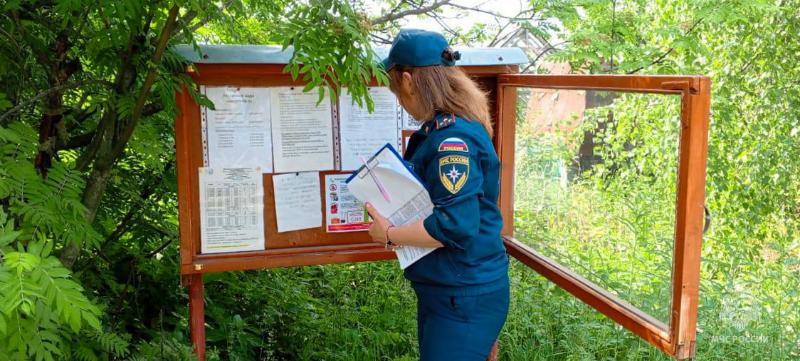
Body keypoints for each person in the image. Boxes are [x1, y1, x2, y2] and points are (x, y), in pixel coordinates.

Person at [365, 29, 510, 361]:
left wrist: (388, 234)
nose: (397, 98)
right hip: (453, 292)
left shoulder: (451, 141)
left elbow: (455, 224)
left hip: (461, 296)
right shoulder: (446, 129)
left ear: (408, 79)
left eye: (394, 88)